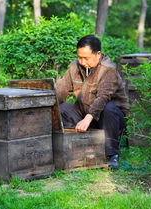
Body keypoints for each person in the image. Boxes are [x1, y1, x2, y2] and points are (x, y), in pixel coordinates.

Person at [55, 35, 128, 169]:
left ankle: (111, 155)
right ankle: (77, 146)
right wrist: (48, 105)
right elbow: (61, 90)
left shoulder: (108, 69)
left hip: (110, 117)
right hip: (84, 110)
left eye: (86, 58)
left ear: (98, 54)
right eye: (79, 57)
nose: (82, 61)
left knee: (109, 108)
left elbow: (103, 97)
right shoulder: (74, 66)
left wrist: (87, 119)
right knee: (61, 109)